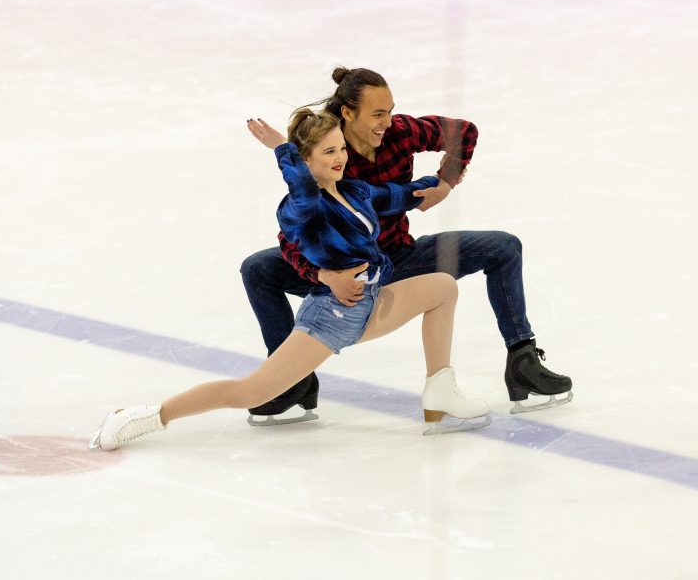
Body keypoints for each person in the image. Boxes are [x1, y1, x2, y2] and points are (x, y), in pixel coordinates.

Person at [89, 109, 491, 451]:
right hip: (331, 316)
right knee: (248, 392)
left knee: (442, 287)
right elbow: (299, 183)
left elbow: (396, 196)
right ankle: (145, 417)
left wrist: (432, 187)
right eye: (328, 151)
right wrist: (282, 148)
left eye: (342, 148)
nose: (340, 158)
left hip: (369, 305)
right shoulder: (304, 206)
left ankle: (439, 391)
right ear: (306, 159)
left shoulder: (354, 191)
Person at [241, 67, 573, 425]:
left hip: (399, 259)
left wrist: (445, 182)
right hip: (343, 274)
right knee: (258, 269)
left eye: (390, 111)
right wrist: (325, 276)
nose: (387, 122)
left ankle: (523, 361)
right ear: (348, 114)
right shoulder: (324, 149)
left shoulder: (400, 131)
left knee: (504, 247)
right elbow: (291, 242)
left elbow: (464, 132)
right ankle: (291, 381)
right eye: (377, 114)